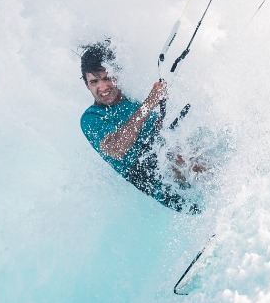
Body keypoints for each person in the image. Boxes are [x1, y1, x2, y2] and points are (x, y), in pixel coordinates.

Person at [79, 41, 206, 213]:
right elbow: (117, 148)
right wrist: (149, 103)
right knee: (178, 157)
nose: (102, 87)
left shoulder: (130, 94)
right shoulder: (91, 118)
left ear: (115, 76)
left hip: (164, 146)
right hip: (147, 172)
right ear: (87, 85)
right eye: (94, 82)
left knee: (194, 148)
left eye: (106, 78)